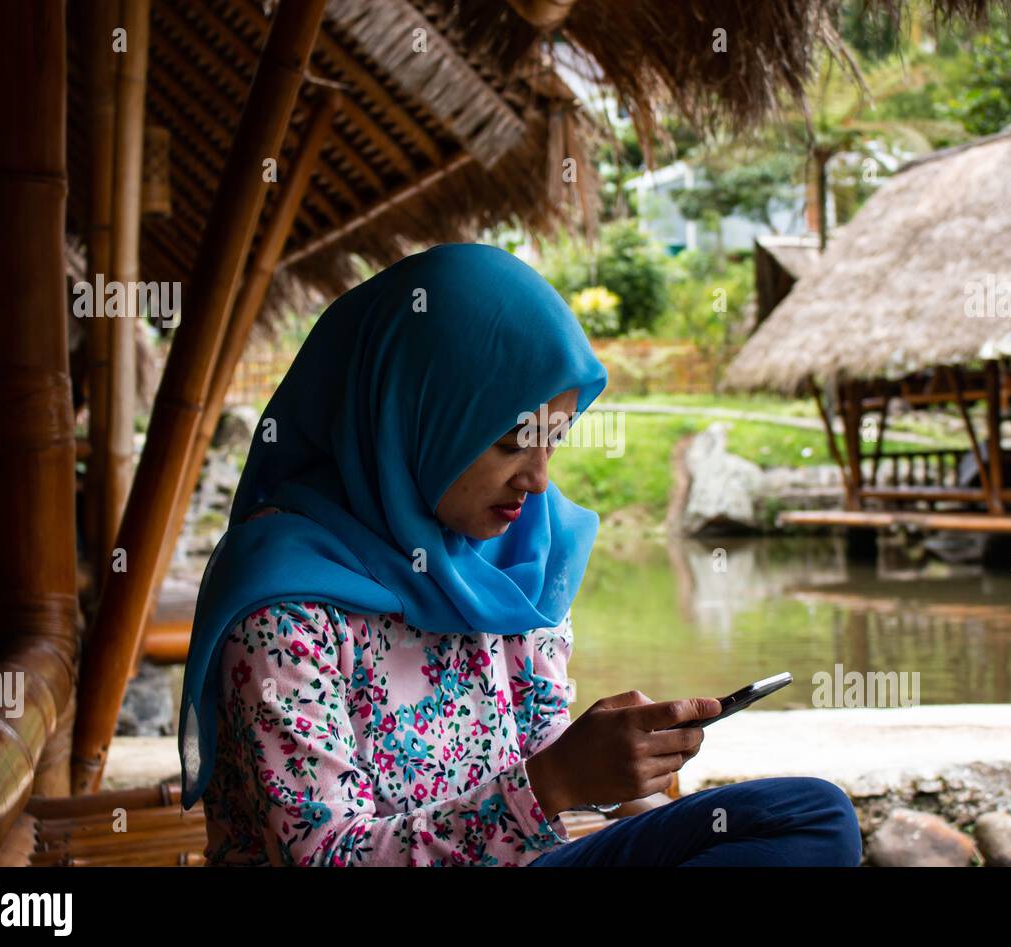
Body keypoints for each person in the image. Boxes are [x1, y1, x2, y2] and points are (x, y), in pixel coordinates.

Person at [177, 243, 862, 867]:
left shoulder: (520, 552)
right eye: (509, 442)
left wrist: (635, 792)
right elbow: (323, 857)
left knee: (807, 816)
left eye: (553, 440)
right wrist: (558, 781)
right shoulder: (284, 603)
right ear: (411, 414)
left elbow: (538, 738)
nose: (536, 480)